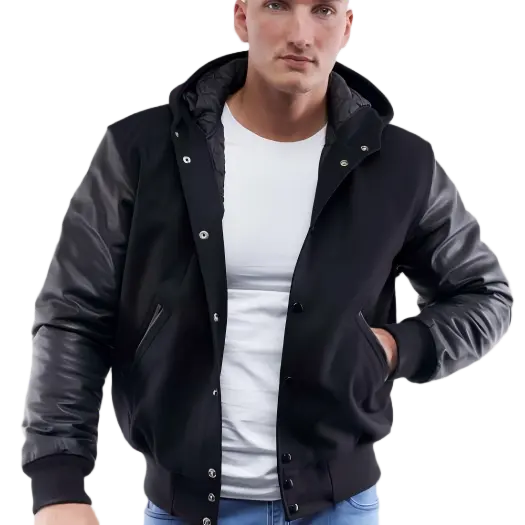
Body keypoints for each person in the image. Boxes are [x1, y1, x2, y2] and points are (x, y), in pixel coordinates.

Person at [22, 1, 513, 524]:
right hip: (181, 506)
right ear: (241, 17)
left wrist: (394, 348)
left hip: (339, 507)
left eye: (322, 11)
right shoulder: (142, 150)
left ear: (347, 27)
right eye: (278, 5)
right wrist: (58, 486)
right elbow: (74, 315)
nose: (301, 33)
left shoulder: (399, 164)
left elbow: (485, 296)